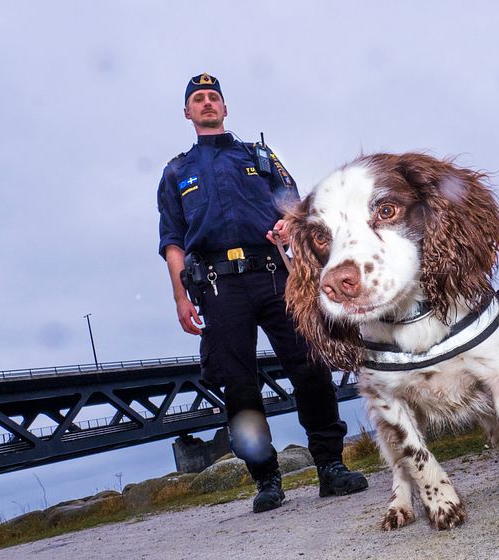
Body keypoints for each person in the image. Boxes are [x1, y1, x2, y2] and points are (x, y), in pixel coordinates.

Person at [157, 72, 368, 513]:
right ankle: (266, 480)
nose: (207, 103)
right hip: (217, 284)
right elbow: (173, 240)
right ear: (187, 112)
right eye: (198, 99)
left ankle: (329, 465)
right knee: (238, 386)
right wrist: (180, 297)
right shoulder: (177, 171)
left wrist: (288, 223)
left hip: (276, 273)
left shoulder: (259, 155)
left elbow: (294, 205)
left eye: (214, 96)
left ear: (225, 108)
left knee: (308, 364)